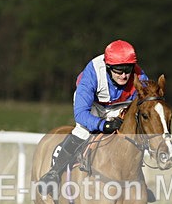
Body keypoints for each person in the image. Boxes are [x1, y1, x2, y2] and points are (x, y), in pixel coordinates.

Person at [38, 39, 149, 194]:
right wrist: (104, 125)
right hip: (93, 105)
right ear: (108, 67)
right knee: (83, 131)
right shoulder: (92, 73)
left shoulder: (140, 77)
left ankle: (137, 182)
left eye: (128, 69)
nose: (124, 75)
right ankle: (54, 173)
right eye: (119, 70)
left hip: (119, 106)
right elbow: (81, 114)